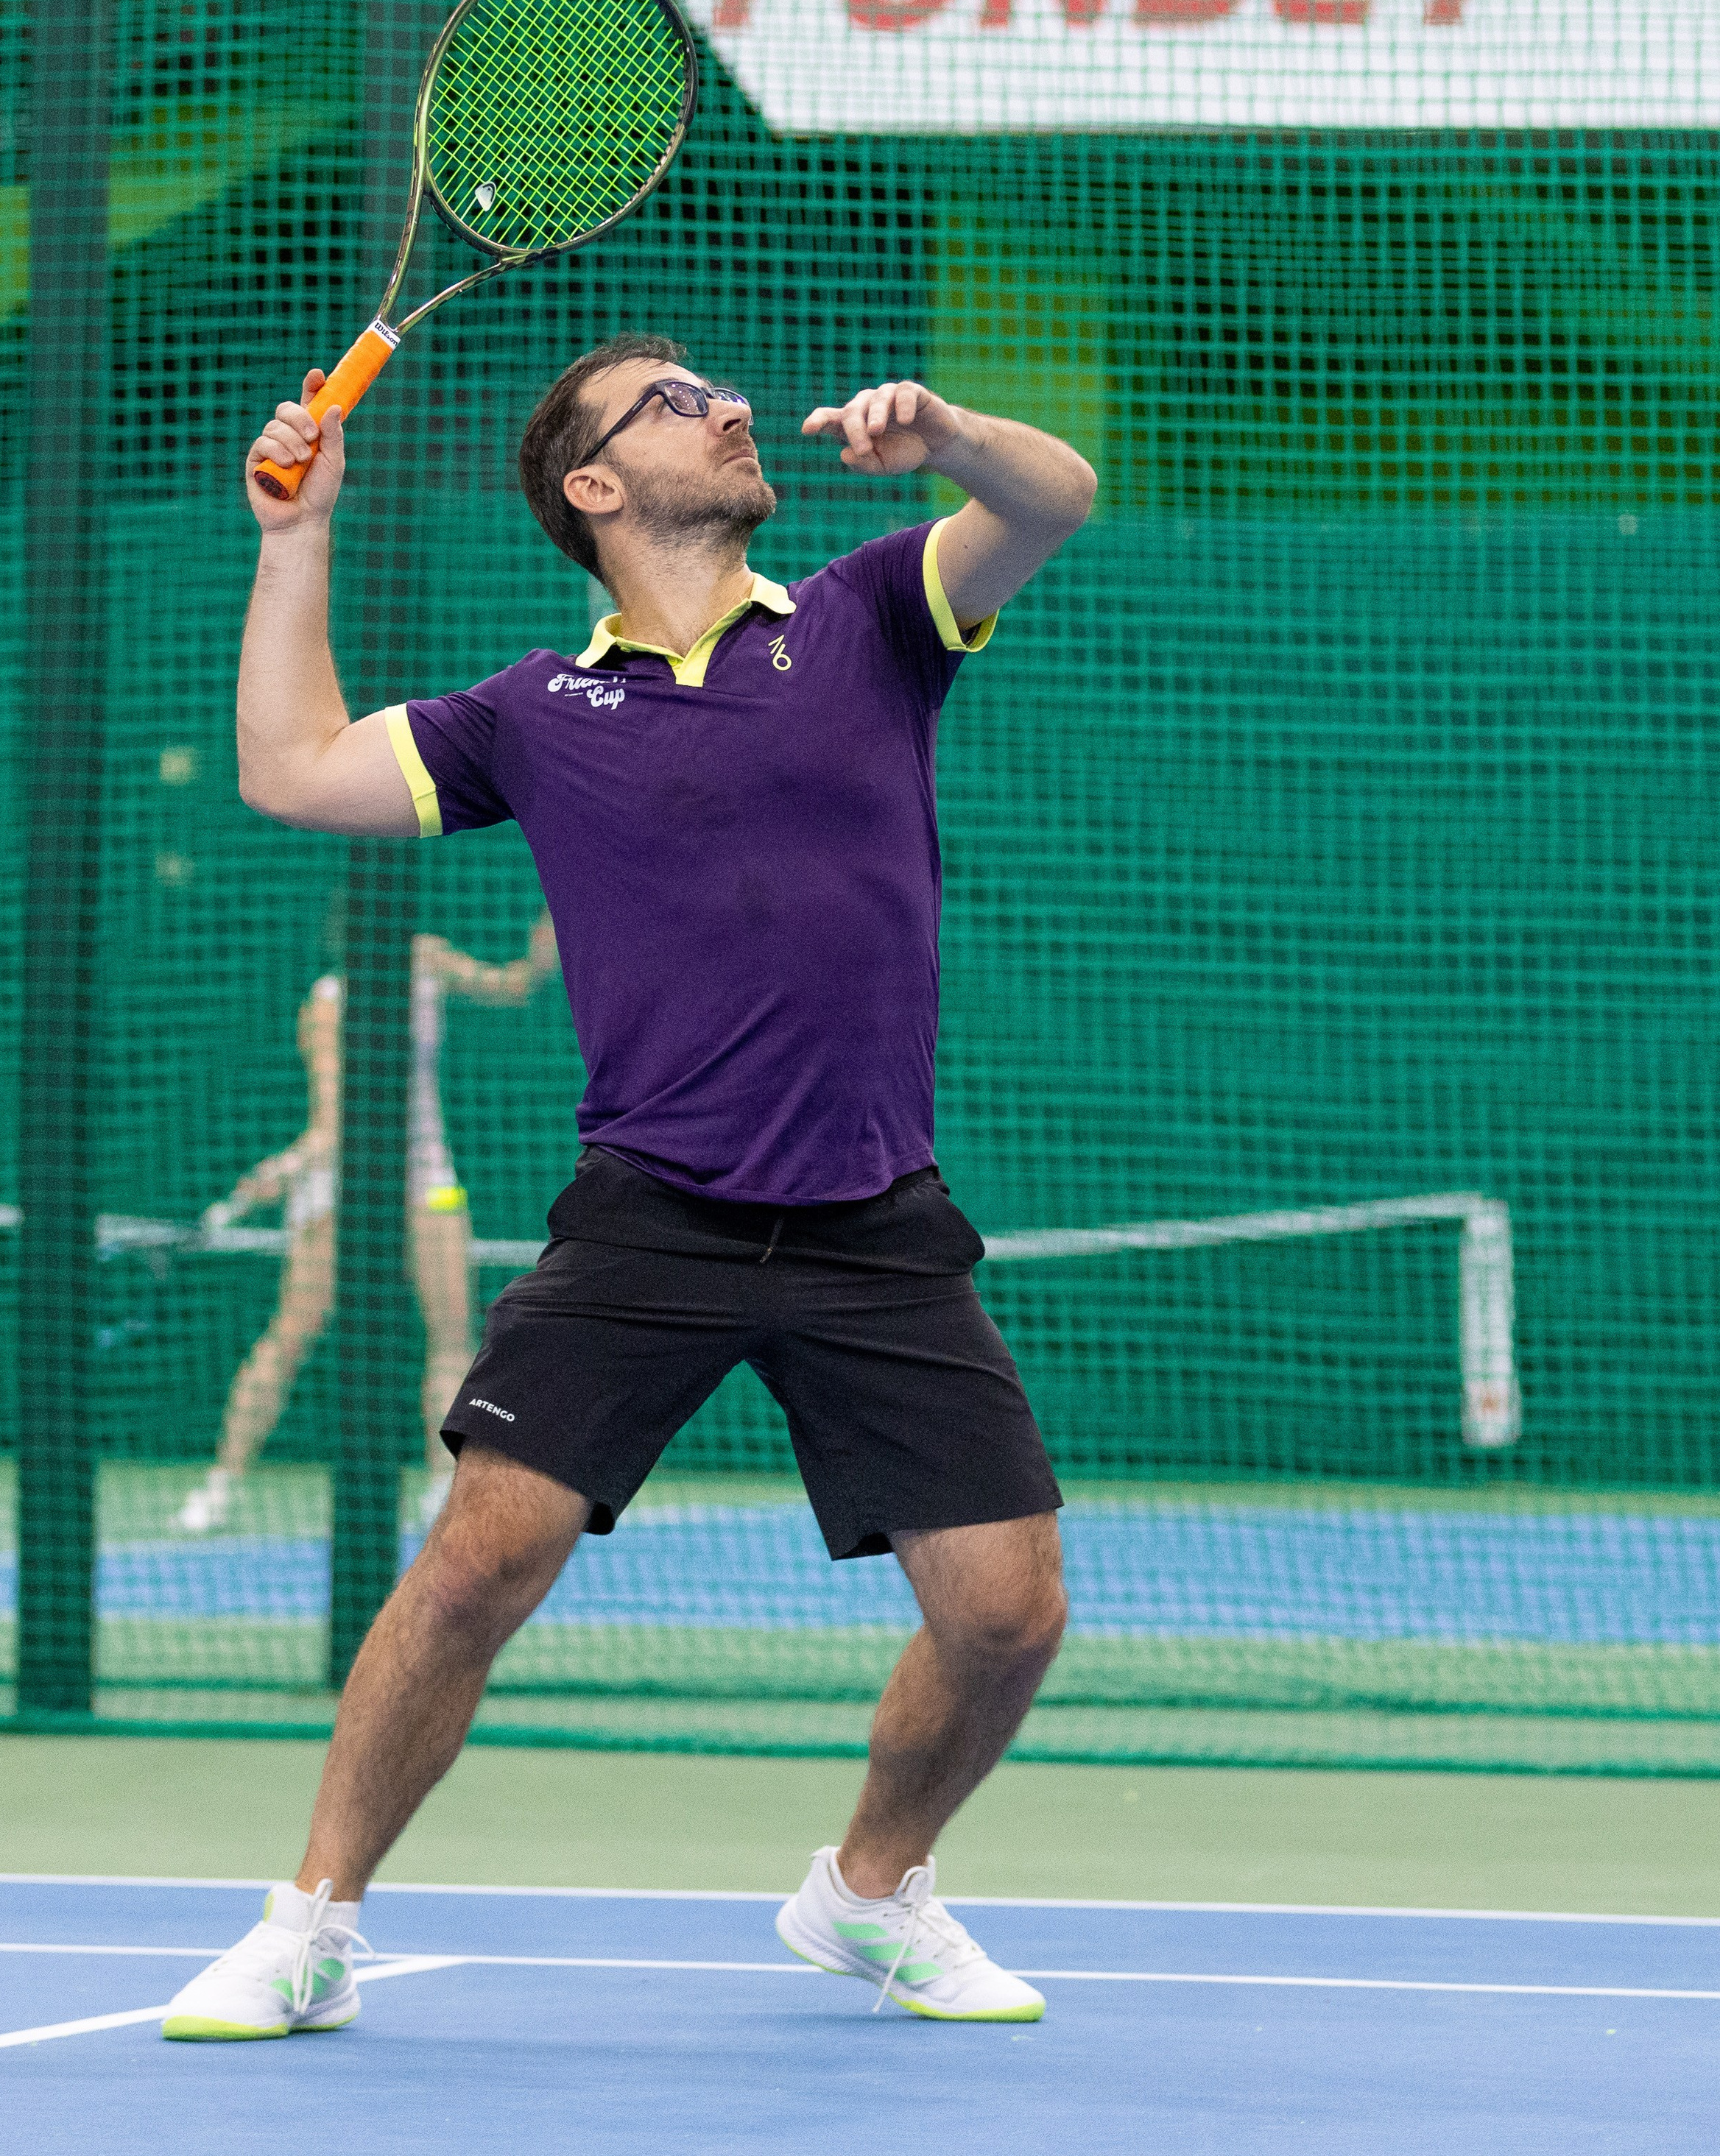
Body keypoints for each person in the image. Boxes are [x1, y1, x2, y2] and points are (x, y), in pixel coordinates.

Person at [163, 332, 1096, 2043]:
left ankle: (867, 1893)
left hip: (874, 1213)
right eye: (670, 402)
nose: (728, 405)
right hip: (649, 1209)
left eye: (719, 391)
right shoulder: (532, 712)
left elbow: (1056, 495)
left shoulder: (872, 615)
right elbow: (287, 771)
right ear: (590, 486)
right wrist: (293, 542)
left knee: (1007, 1611)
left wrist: (951, 434)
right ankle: (308, 1922)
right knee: (470, 1564)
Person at [173, 919, 559, 1535]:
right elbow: (334, 1123)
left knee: (453, 1335)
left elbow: (508, 987)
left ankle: (442, 1488)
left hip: (430, 1176)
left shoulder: (426, 959)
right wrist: (289, 1167)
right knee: (293, 1332)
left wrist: (541, 959)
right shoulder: (327, 1006)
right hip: (341, 1180)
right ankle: (220, 1485)